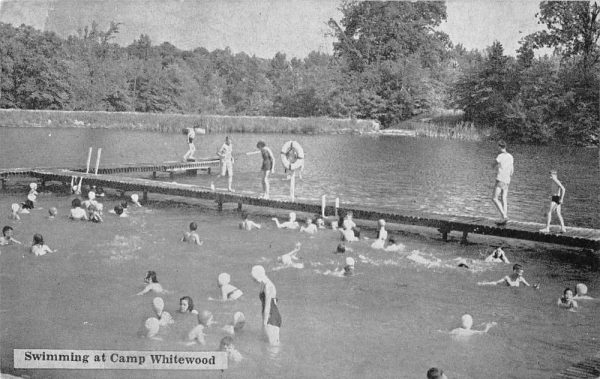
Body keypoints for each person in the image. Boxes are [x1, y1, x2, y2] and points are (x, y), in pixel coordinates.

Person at [251, 265, 281, 346]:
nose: (253, 281)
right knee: (267, 346)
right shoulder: (264, 284)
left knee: (274, 347)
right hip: (269, 316)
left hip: (271, 317)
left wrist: (264, 323)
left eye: (254, 279)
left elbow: (268, 306)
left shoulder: (268, 286)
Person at [491, 140, 514, 225]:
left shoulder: (500, 156)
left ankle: (504, 216)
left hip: (500, 179)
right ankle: (504, 217)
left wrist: (494, 166)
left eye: (498, 147)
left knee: (494, 198)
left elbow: (493, 165)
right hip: (507, 180)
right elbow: (512, 170)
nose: (497, 148)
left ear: (500, 147)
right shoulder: (510, 156)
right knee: (504, 198)